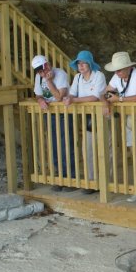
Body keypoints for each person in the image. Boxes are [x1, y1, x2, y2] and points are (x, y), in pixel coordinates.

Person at [104, 51, 136, 203]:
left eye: (119, 69)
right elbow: (106, 93)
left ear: (127, 67)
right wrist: (106, 103)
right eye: (116, 69)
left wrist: (118, 99)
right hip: (130, 118)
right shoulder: (116, 77)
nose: (117, 72)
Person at [63, 50, 106, 194]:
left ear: (90, 64)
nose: (81, 66)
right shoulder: (77, 78)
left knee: (104, 150)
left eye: (83, 63)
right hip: (86, 117)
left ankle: (106, 182)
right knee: (87, 149)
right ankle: (91, 181)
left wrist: (73, 100)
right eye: (78, 63)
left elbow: (95, 97)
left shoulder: (99, 76)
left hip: (100, 116)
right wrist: (68, 98)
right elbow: (72, 93)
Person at [31, 55, 75, 190]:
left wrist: (49, 81)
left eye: (44, 68)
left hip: (62, 113)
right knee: (54, 145)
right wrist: (40, 100)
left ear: (48, 64)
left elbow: (59, 97)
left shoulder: (60, 74)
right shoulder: (38, 77)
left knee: (66, 144)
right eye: (39, 71)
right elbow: (38, 94)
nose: (43, 72)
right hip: (49, 113)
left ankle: (70, 178)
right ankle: (59, 176)